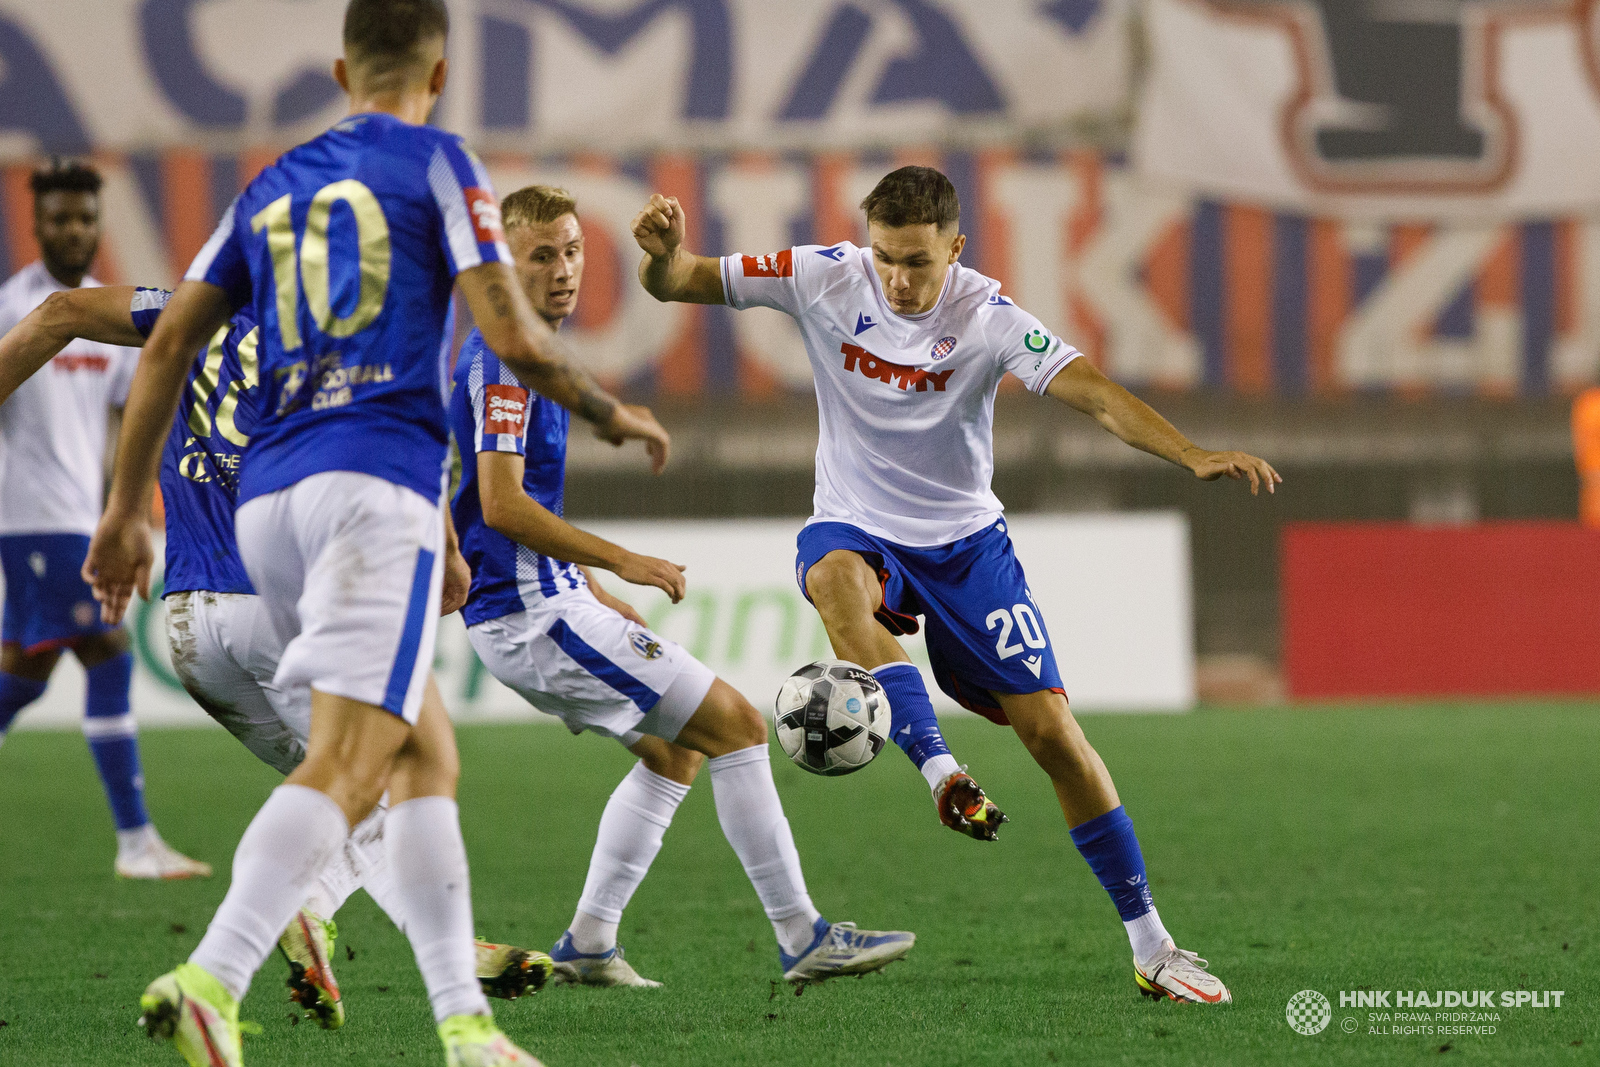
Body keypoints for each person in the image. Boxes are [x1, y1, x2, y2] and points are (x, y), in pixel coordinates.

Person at [83, 2, 668, 1065]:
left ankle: (467, 1025)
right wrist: (605, 409)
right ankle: (213, 973)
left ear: (342, 67)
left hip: (268, 504)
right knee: (354, 765)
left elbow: (168, 339)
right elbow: (506, 327)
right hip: (368, 483)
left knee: (421, 751)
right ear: (438, 73)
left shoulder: (271, 184)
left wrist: (125, 506)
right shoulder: (439, 161)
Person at [631, 166, 1284, 1004]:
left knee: (1055, 740)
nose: (899, 280)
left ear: (955, 248)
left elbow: (1093, 393)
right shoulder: (821, 274)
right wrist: (663, 256)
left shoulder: (988, 315)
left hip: (967, 550)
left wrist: (1190, 451)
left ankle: (1153, 944)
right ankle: (940, 770)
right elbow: (680, 280)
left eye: (918, 262)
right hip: (859, 526)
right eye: (887, 259)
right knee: (833, 578)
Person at [0, 283, 553, 1032]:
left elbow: (61, 310)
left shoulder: (183, 312)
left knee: (350, 789)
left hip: (192, 623)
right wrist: (450, 550)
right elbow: (404, 457)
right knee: (392, 769)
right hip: (285, 605)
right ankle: (301, 936)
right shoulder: (340, 354)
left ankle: (446, 949)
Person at [453, 183, 915, 987]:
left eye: (571, 250)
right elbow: (500, 504)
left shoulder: (531, 350)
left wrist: (593, 591)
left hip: (546, 605)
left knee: (677, 751)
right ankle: (803, 934)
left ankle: (590, 942)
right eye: (541, 255)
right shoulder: (505, 360)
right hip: (530, 617)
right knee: (737, 723)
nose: (563, 269)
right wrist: (620, 561)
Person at [0, 159, 208, 880]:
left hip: (81, 518)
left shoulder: (105, 310)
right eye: (60, 217)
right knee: (109, 649)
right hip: (29, 518)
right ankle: (135, 841)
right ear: (37, 224)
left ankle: (137, 841)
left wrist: (123, 510)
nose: (75, 230)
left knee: (24, 671)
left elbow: (128, 420)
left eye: (86, 217)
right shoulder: (15, 308)